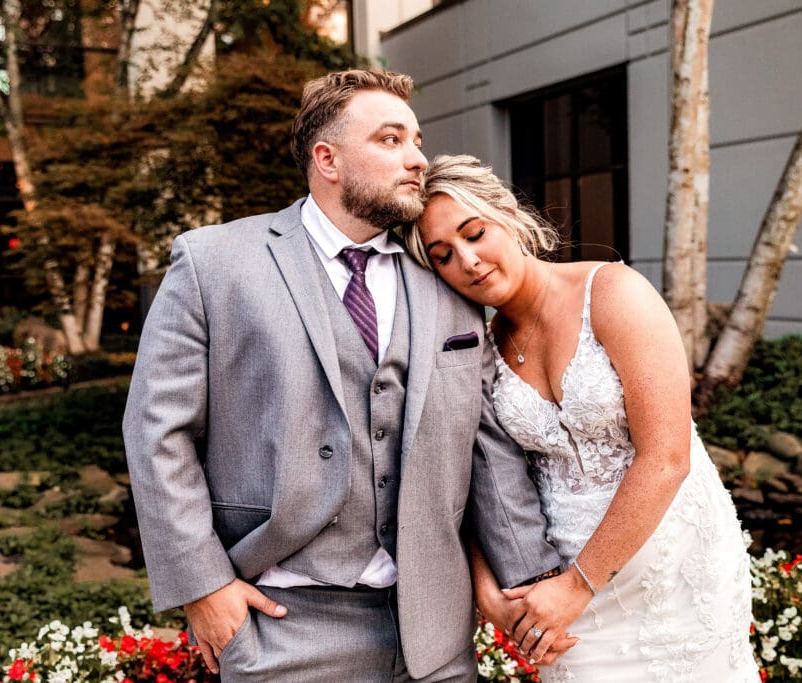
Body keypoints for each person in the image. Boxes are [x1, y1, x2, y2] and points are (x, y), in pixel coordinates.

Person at [122, 71, 562, 682]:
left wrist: (530, 582)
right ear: (327, 159)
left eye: (416, 140)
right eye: (390, 140)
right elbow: (155, 431)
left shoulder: (444, 276)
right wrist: (203, 585)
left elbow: (483, 441)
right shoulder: (214, 262)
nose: (416, 159)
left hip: (431, 632)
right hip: (281, 624)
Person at [404, 154, 760, 682]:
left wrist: (577, 588)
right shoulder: (476, 347)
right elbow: (479, 475)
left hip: (675, 571)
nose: (468, 261)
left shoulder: (614, 294)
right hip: (557, 580)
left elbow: (667, 457)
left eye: (475, 233)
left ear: (508, 214)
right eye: (443, 255)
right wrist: (488, 587)